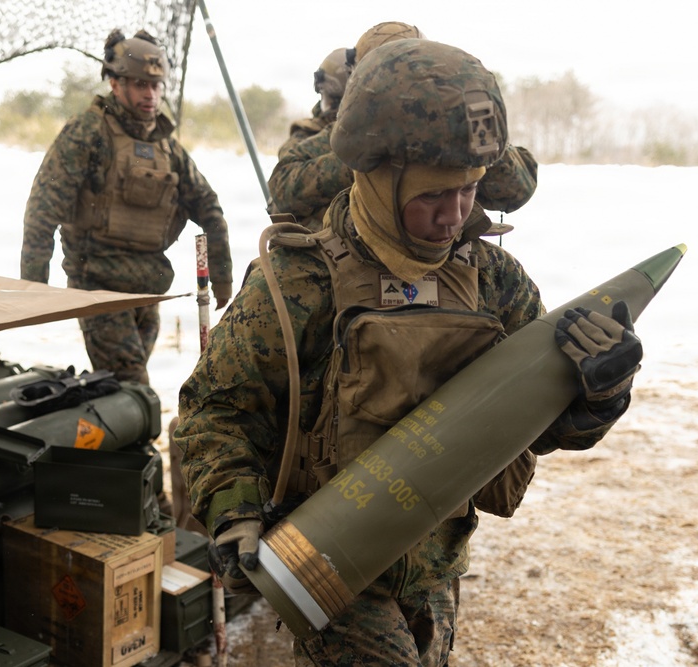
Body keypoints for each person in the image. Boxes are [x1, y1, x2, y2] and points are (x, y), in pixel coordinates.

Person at [176, 38, 643, 665]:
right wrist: (234, 507)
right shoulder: (298, 281)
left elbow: (532, 424)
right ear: (375, 178)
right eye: (431, 195)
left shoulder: (494, 281)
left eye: (470, 189)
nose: (454, 214)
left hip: (437, 563)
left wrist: (598, 396)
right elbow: (216, 410)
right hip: (326, 564)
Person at [20, 28, 233, 385]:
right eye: (140, 85)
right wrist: (34, 287)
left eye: (156, 86)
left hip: (148, 290)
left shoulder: (167, 147)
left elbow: (210, 208)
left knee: (118, 387)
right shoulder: (88, 133)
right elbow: (43, 208)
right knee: (133, 384)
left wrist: (222, 280)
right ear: (115, 84)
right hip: (98, 288)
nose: (150, 95)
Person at [266, 21, 539, 234]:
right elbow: (283, 191)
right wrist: (370, 159)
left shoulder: (458, 126)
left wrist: (470, 137)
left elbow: (516, 190)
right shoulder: (344, 133)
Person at [265, 47, 350, 230]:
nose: (331, 109)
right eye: (327, 98)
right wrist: (353, 165)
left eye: (337, 101)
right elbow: (283, 190)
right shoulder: (306, 136)